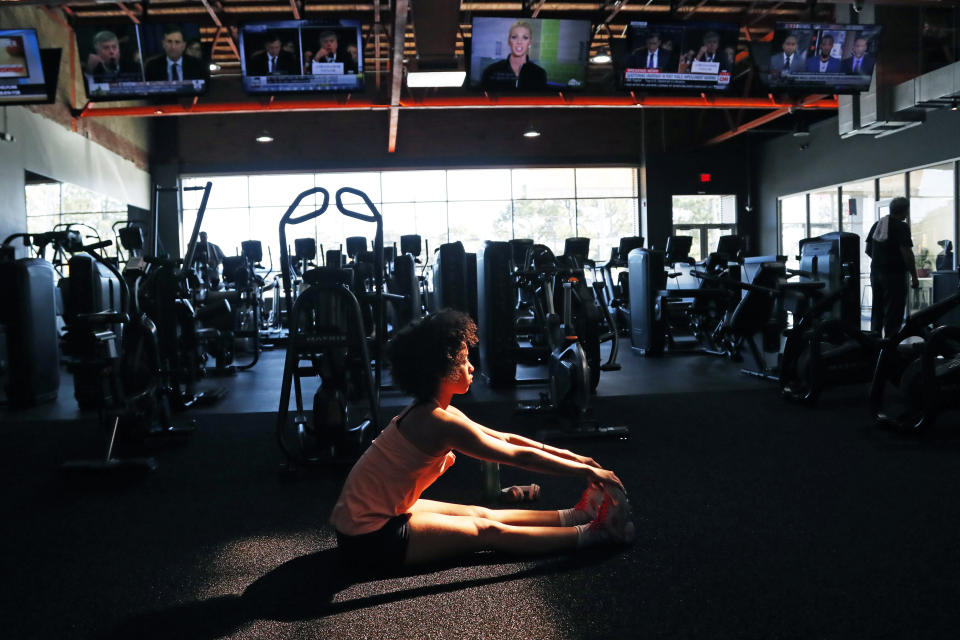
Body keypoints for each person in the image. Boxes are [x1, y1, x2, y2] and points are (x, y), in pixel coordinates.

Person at [330, 310, 634, 570]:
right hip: (367, 538)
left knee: (483, 512)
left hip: (372, 516)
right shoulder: (437, 423)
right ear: (442, 370)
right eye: (464, 360)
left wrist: (580, 459)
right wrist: (589, 471)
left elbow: (507, 438)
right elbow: (518, 457)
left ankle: (576, 515)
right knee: (487, 530)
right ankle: (598, 533)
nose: (472, 367)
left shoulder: (432, 410)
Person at [865, 197, 919, 338]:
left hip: (876, 273)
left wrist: (880, 260)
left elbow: (868, 248)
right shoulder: (902, 227)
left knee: (877, 308)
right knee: (894, 311)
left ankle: (874, 342)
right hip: (894, 275)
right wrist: (914, 276)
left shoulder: (878, 224)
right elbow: (906, 252)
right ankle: (890, 346)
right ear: (905, 210)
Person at [480, 21, 548, 91]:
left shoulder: (539, 74)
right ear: (509, 41)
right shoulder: (491, 71)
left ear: (529, 42)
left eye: (525, 38)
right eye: (514, 37)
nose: (519, 41)